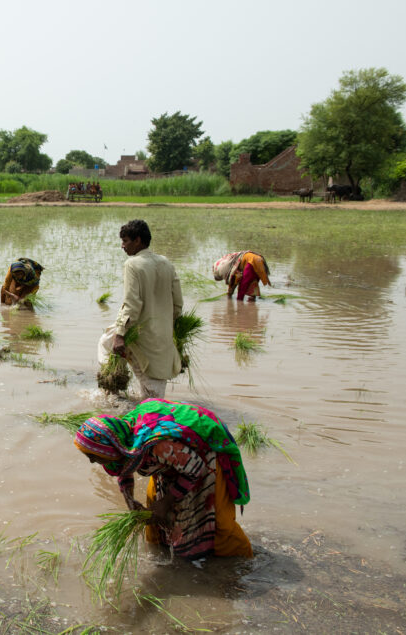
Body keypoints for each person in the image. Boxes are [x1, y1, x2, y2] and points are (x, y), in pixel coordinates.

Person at [74, 399, 253, 559]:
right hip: (172, 463)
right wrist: (130, 499)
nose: (91, 461)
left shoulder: (158, 445)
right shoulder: (121, 443)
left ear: (110, 449)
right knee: (158, 518)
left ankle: (239, 563)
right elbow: (122, 470)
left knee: (218, 522)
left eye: (94, 456)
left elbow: (195, 468)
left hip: (203, 458)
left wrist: (166, 501)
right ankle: (174, 557)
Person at [97, 219, 182, 399]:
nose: (122, 246)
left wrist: (120, 335)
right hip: (163, 341)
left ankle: (113, 393)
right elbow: (177, 305)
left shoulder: (133, 264)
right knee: (106, 341)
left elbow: (132, 303)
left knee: (151, 402)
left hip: (142, 339)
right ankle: (114, 385)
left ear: (138, 240)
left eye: (125, 241)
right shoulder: (166, 263)